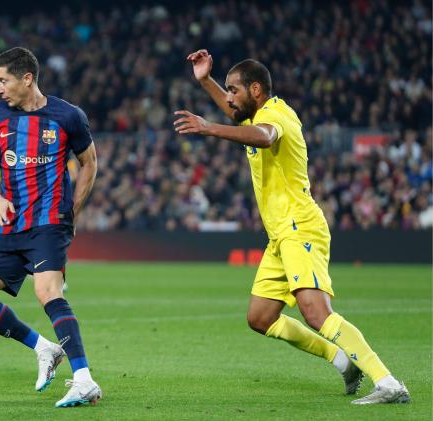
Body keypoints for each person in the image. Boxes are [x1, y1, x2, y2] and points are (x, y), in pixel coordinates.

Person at [174, 50, 410, 405]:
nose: (229, 98)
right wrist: (205, 81)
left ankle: (388, 382)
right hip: (280, 236)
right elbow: (238, 116)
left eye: (233, 90)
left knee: (317, 312)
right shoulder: (256, 112)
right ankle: (342, 360)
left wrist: (208, 128)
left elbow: (266, 137)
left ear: (256, 89)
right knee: (261, 317)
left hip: (300, 228)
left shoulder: (276, 115)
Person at [0, 47, 101, 408]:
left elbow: (90, 163)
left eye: (3, 80)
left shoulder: (67, 116)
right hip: (10, 228)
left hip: (49, 224)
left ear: (27, 79)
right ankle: (44, 348)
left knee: (48, 293)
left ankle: (84, 379)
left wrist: (73, 209)